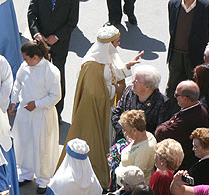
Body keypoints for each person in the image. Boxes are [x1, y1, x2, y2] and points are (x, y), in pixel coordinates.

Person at [59, 25, 143, 188]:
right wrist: (114, 90)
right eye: (117, 42)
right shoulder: (92, 65)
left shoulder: (104, 57)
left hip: (106, 107)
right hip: (95, 110)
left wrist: (127, 66)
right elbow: (94, 93)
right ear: (108, 44)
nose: (118, 44)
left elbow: (111, 73)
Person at [27, 0, 79, 116]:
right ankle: (40, 106)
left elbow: (72, 22)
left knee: (58, 77)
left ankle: (57, 112)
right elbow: (31, 14)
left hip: (59, 44)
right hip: (41, 44)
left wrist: (56, 37)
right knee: (39, 75)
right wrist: (37, 34)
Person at [9, 40, 61, 193]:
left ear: (36, 57)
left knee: (41, 146)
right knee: (25, 143)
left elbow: (55, 96)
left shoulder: (51, 71)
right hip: (25, 112)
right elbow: (18, 83)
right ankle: (26, 173)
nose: (24, 61)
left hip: (42, 114)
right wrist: (13, 100)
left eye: (26, 58)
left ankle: (43, 180)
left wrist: (37, 104)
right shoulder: (25, 66)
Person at [166, 0, 209, 102]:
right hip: (176, 55)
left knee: (195, 88)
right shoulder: (173, 4)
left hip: (195, 56)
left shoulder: (206, 7)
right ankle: (169, 114)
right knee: (172, 87)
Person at [155, 80, 209, 170]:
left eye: (177, 95)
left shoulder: (188, 118)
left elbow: (161, 133)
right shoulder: (198, 108)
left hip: (184, 164)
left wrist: (167, 124)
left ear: (185, 99)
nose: (174, 96)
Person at [111, 65, 171, 142]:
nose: (132, 82)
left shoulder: (163, 103)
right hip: (123, 139)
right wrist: (124, 132)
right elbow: (116, 114)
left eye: (136, 81)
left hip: (145, 144)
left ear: (147, 87)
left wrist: (138, 138)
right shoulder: (129, 91)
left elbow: (160, 131)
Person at [116, 110, 158, 184]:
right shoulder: (142, 136)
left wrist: (118, 171)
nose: (124, 133)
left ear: (134, 130)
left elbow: (135, 177)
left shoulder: (145, 149)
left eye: (125, 130)